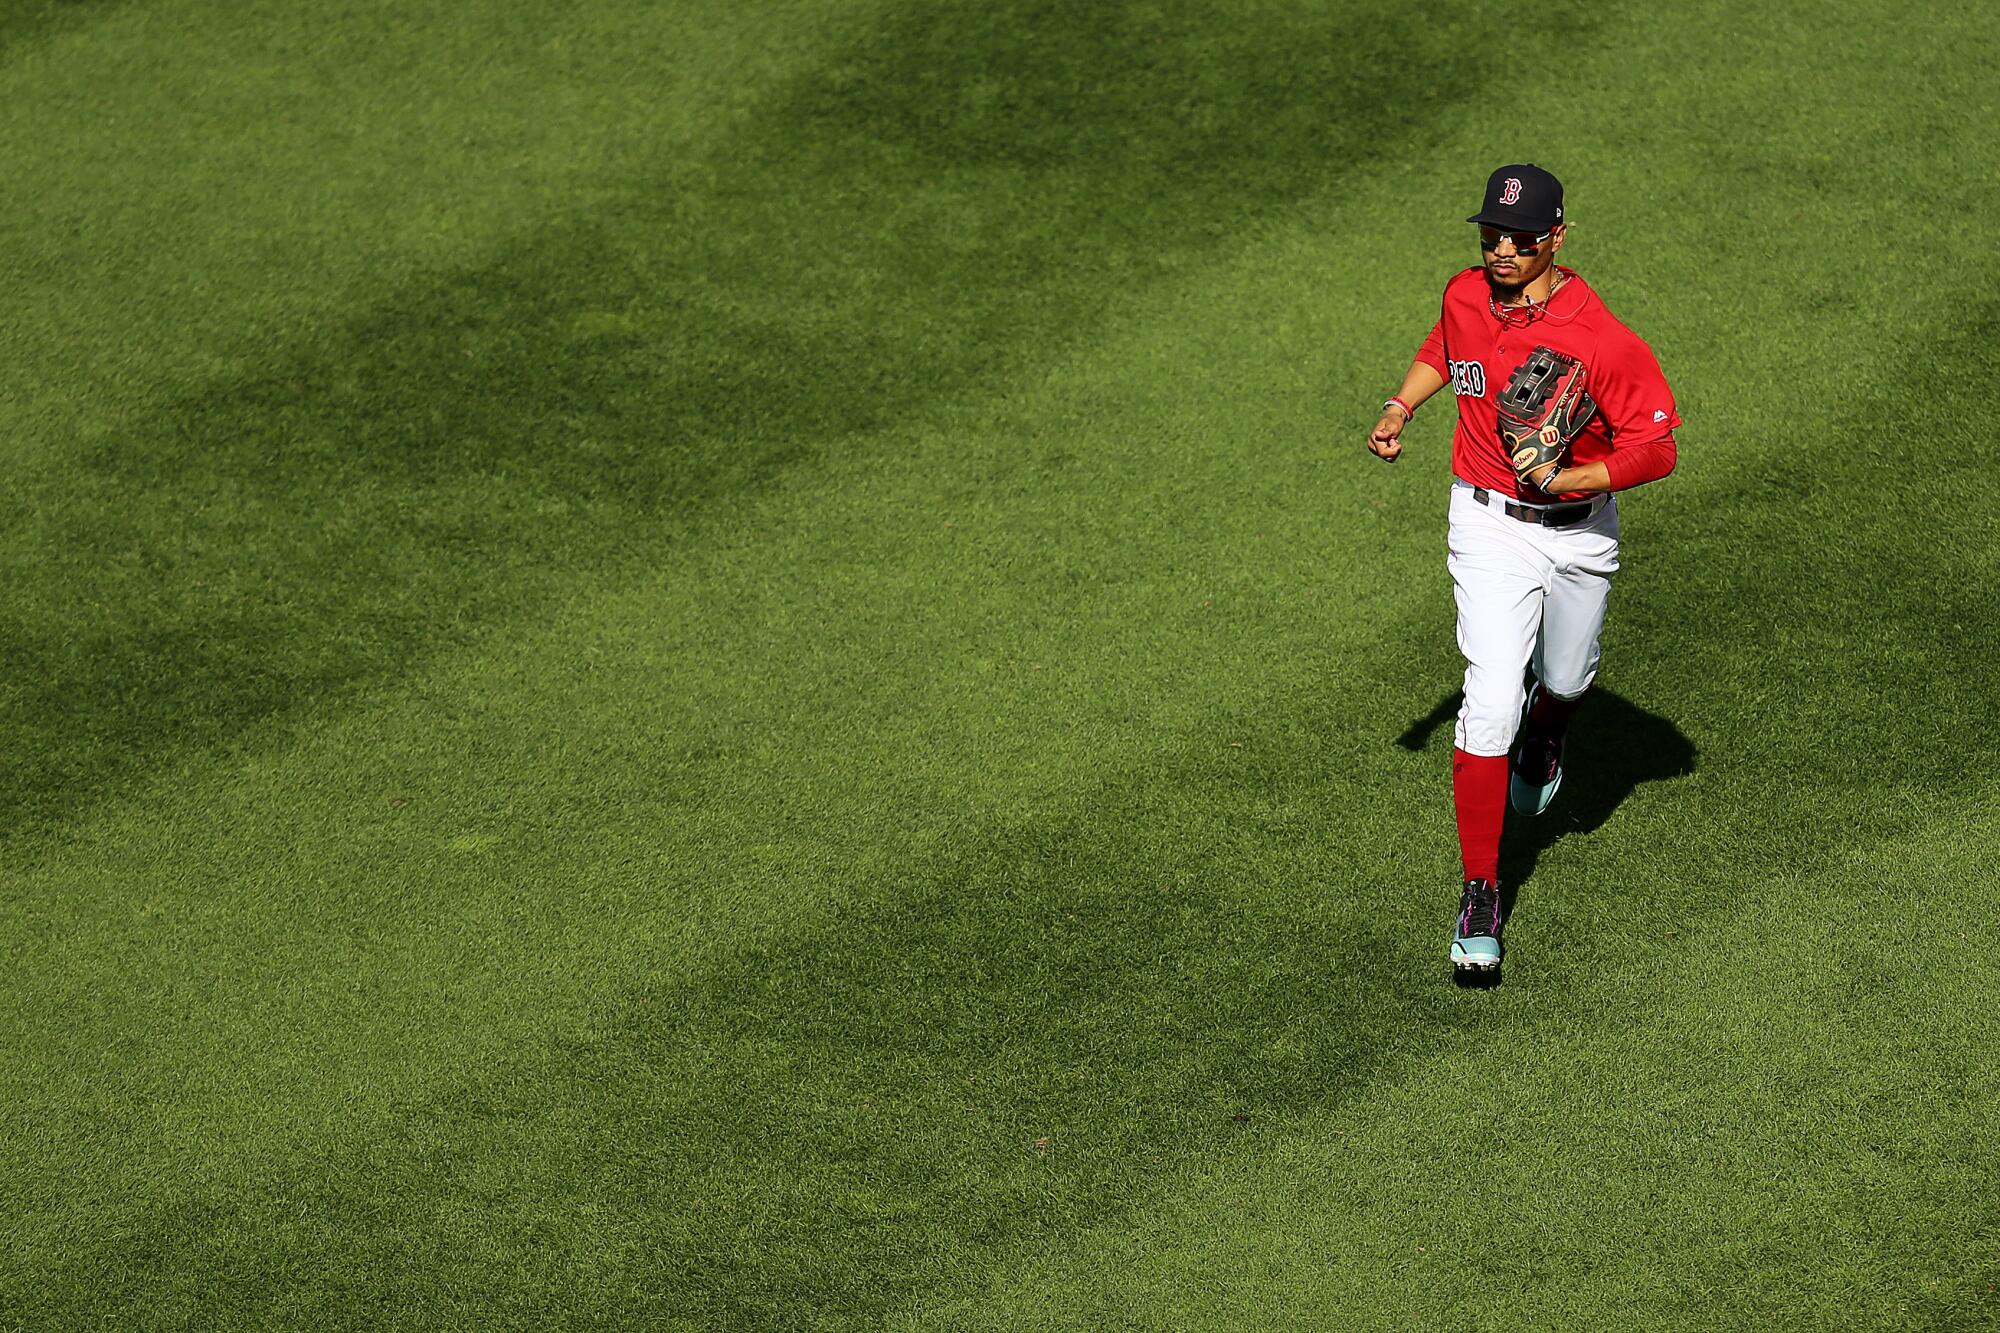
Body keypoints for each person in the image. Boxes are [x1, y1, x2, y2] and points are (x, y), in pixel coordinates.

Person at [1366, 163, 1680, 973]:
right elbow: (1446, 344)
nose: (1501, 251)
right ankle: (1481, 888)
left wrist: (1568, 476)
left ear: (1557, 237)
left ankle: (1551, 730)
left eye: (1519, 239)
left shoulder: (1602, 339)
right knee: (1491, 695)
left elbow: (1658, 446)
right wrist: (1403, 405)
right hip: (1487, 526)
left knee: (1567, 679)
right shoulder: (1467, 293)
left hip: (1578, 535)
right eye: (1490, 236)